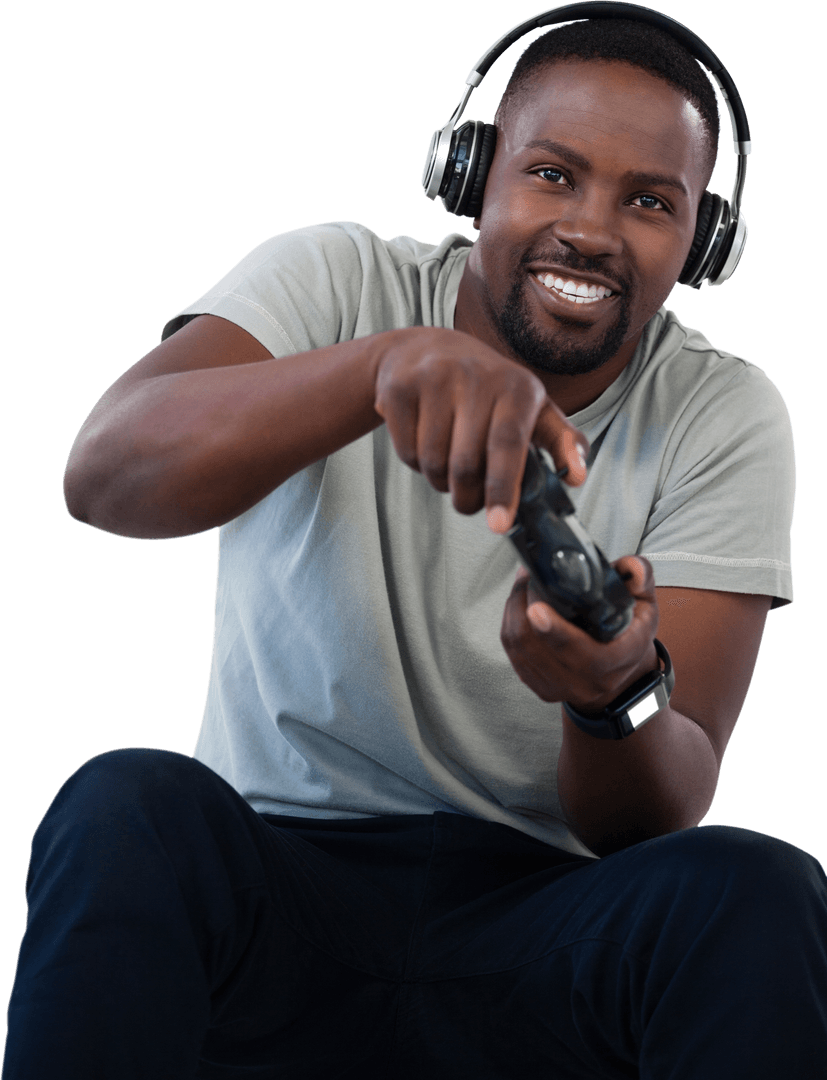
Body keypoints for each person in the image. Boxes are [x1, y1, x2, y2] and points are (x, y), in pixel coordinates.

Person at [4, 7, 825, 1079]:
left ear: (702, 240)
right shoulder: (335, 280)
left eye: (647, 201)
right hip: (271, 892)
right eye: (549, 173)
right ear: (470, 173)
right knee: (126, 807)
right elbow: (102, 477)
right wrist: (379, 369)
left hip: (541, 923)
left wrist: (610, 693)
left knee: (756, 891)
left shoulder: (725, 412)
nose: (589, 228)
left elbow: (661, 808)